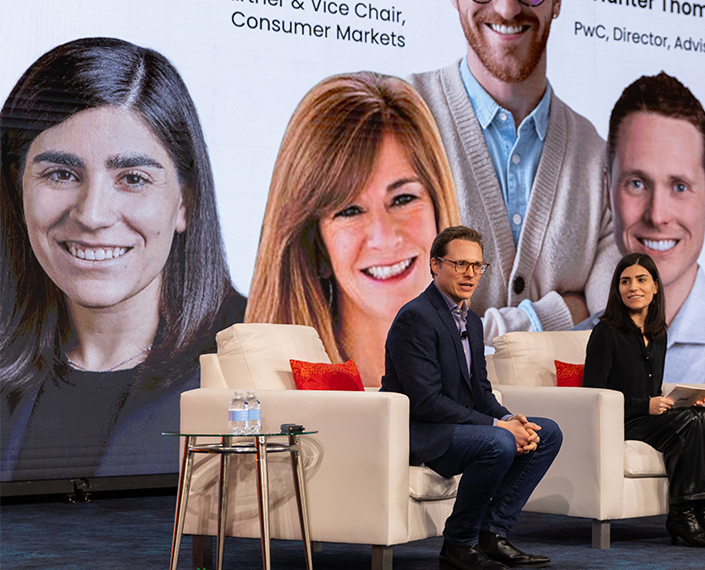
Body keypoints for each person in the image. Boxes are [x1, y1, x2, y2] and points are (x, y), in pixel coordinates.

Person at [0, 37, 245, 482]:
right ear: (16, 189)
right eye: (60, 173)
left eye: (132, 178)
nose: (92, 214)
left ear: (184, 203)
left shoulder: (255, 365)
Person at [409, 0, 619, 344]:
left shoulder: (598, 157)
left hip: (569, 420)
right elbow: (409, 333)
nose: (507, 4)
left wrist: (481, 327)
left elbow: (616, 328)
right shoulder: (400, 123)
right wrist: (559, 310)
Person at [246, 72, 460, 387]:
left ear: (439, 212)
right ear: (316, 249)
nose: (384, 237)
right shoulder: (275, 399)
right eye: (349, 210)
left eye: (402, 199)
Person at [382, 226, 562, 570]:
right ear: (435, 265)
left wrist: (510, 419)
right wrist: (499, 428)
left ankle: (492, 533)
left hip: (458, 428)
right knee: (497, 442)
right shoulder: (415, 318)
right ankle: (459, 543)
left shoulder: (473, 321)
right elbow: (426, 403)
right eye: (461, 264)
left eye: (478, 266)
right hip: (421, 431)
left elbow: (479, 390)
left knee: (547, 432)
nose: (470, 274)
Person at [579, 72, 705, 384]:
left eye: (680, 187)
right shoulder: (576, 343)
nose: (657, 215)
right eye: (636, 183)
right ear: (607, 191)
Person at [583, 252, 705, 548]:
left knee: (702, 417)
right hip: (621, 420)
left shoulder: (658, 333)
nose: (632, 287)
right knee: (692, 423)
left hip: (647, 418)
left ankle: (702, 513)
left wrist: (679, 401)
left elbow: (651, 387)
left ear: (655, 287)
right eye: (624, 281)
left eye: (641, 280)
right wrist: (645, 405)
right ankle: (681, 514)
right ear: (617, 289)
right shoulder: (606, 332)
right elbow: (594, 394)